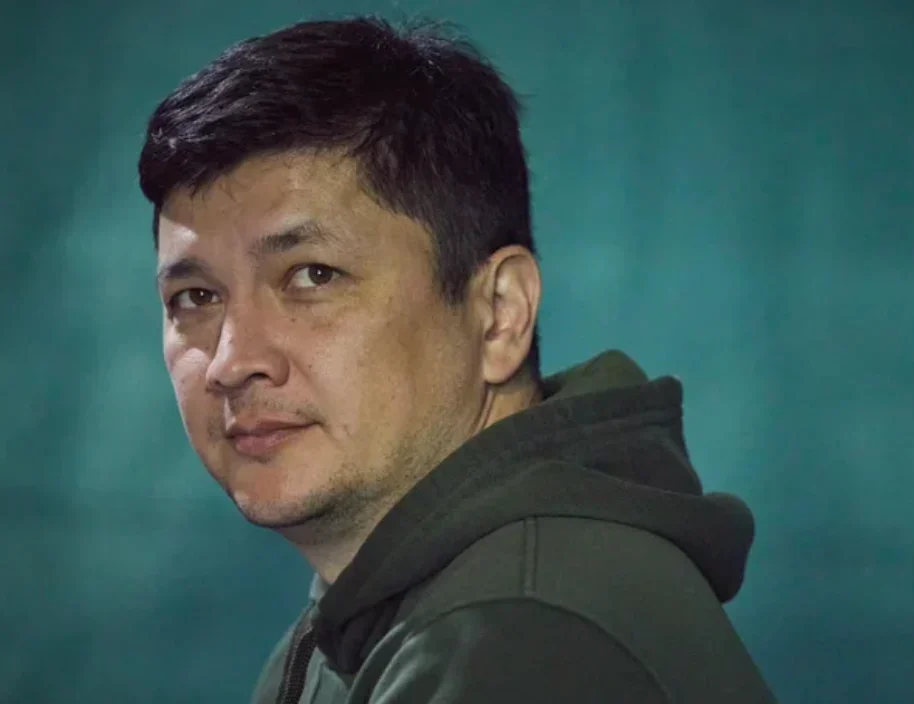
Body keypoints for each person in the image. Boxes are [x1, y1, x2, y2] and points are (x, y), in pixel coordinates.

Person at [138, 15, 776, 704]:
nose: (232, 362)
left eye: (314, 276)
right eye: (196, 297)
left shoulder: (518, 638)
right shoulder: (380, 624)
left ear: (499, 312)